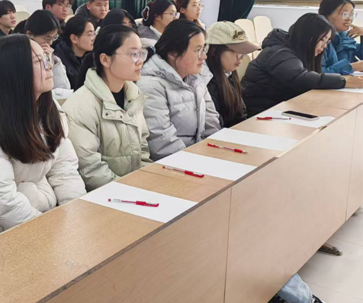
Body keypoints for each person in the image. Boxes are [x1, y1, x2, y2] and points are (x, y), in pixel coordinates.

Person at [0, 34, 86, 244]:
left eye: (47, 58)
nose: (49, 66)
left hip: (43, 220)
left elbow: (65, 170)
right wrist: (54, 234)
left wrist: (75, 216)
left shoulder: (48, 109)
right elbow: (4, 202)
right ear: (15, 71)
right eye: (37, 61)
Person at [64, 25, 151, 190]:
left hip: (135, 190)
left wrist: (147, 183)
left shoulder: (133, 95)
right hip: (106, 196)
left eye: (141, 53)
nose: (140, 61)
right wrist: (132, 191)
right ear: (105, 60)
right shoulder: (80, 107)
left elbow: (143, 150)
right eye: (133, 54)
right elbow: (91, 170)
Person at [242, 13, 363, 116]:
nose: (324, 46)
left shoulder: (299, 51)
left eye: (327, 41)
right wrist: (344, 81)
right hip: (261, 112)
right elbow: (301, 78)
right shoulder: (279, 52)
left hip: (281, 108)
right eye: (322, 39)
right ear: (308, 36)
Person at [138, 20, 221, 160]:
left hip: (196, 159)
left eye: (204, 49)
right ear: (173, 53)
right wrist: (201, 162)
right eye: (197, 50)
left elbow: (212, 126)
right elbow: (163, 145)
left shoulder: (196, 79)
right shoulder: (150, 86)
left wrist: (216, 154)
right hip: (173, 165)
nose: (204, 56)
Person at [205, 22, 260, 128]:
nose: (241, 58)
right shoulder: (206, 84)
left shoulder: (228, 75)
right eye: (237, 52)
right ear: (214, 52)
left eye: (243, 53)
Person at [24, 10, 72, 93]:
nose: (50, 43)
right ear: (29, 34)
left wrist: (49, 62)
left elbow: (63, 90)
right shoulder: (19, 56)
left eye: (54, 37)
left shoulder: (51, 57)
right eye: (47, 38)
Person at [318, 0, 363, 74]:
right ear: (326, 15)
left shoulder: (347, 37)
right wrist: (352, 67)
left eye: (351, 14)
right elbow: (320, 75)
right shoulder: (319, 39)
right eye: (345, 14)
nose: (349, 19)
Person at [54, 15, 95, 91]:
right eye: (90, 34)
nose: (93, 38)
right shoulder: (58, 60)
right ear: (74, 38)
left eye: (94, 34)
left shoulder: (90, 56)